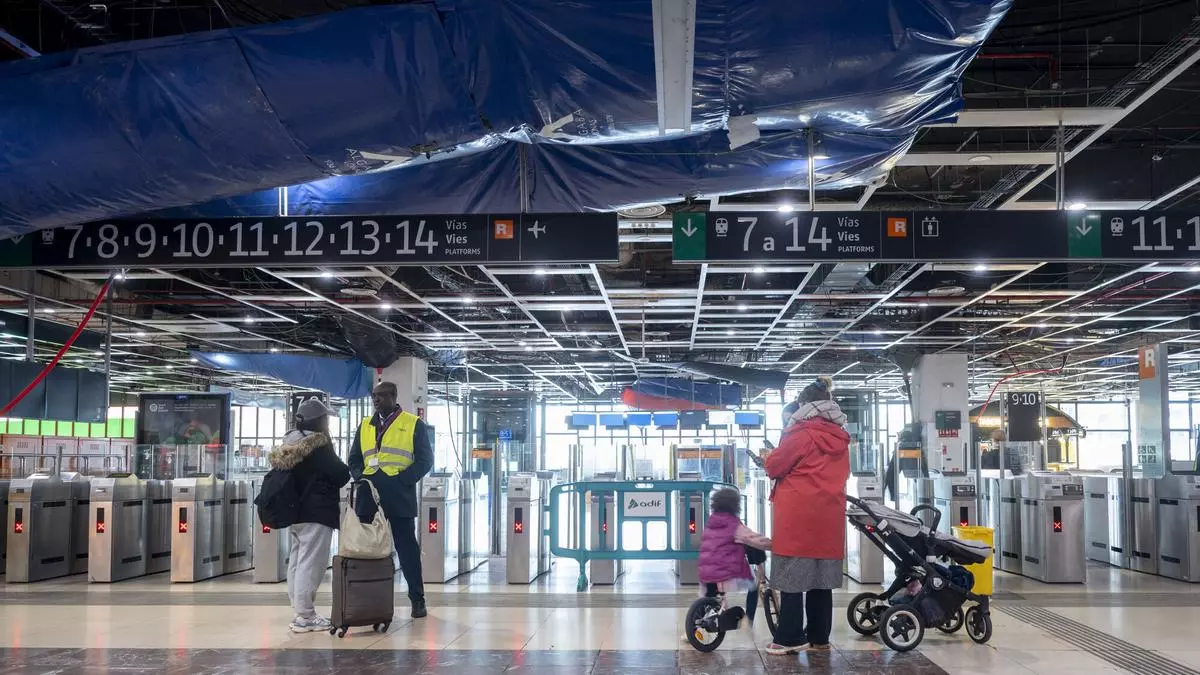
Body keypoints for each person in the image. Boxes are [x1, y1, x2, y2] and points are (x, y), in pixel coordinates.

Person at [764, 376, 851, 655]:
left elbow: (776, 466)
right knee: (820, 581)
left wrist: (768, 456)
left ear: (804, 404)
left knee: (792, 579)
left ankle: (788, 638)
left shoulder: (799, 433)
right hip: (829, 516)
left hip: (798, 517)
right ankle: (818, 638)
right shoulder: (841, 436)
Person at [349, 381, 434, 618]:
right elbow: (354, 458)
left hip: (399, 496)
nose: (376, 400)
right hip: (369, 496)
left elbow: (425, 460)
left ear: (393, 396)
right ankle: (365, 599)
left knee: (407, 548)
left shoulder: (413, 423)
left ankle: (417, 599)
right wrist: (361, 478)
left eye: (381, 396)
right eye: (374, 396)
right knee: (365, 549)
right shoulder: (365, 425)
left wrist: (403, 480)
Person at [268, 398, 350, 633]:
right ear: (318, 421)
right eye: (325, 418)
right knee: (311, 563)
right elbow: (341, 473)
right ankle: (305, 616)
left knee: (297, 560)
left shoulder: (290, 442)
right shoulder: (317, 445)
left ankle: (299, 608)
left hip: (296, 511)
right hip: (317, 511)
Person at [699, 487, 771, 612]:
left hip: (706, 573)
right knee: (753, 587)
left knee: (711, 594)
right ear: (735, 505)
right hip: (727, 572)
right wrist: (774, 544)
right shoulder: (734, 525)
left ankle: (703, 615)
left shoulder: (711, 521)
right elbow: (754, 539)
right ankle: (747, 620)